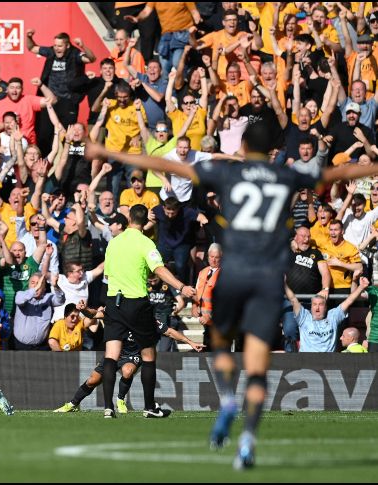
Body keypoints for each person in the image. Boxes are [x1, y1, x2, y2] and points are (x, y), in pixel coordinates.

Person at [85, 121, 378, 469]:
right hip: (268, 279)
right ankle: (248, 442)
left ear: (241, 147)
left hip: (235, 274)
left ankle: (226, 399)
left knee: (220, 341)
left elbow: (166, 165)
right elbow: (341, 171)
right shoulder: (286, 176)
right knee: (256, 367)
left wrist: (107, 152)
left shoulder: (229, 174)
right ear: (273, 149)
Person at [99, 203, 195, 419]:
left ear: (129, 218)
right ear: (145, 223)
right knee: (148, 355)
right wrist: (181, 287)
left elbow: (107, 275)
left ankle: (107, 408)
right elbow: (159, 269)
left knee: (111, 356)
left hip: (113, 302)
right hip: (136, 303)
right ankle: (150, 407)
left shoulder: (113, 243)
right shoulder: (146, 243)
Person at [54, 306, 203, 413]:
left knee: (127, 371)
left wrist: (190, 342)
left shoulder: (148, 321)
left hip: (133, 354)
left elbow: (170, 332)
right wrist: (84, 310)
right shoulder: (117, 314)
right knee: (92, 380)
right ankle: (72, 404)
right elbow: (94, 315)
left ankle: (120, 399)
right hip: (115, 353)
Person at [284, 277, 368, 352]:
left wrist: (361, 287)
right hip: (307, 360)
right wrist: (284, 284)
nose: (317, 307)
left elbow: (349, 300)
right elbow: (293, 299)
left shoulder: (333, 316)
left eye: (320, 304)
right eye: (314, 304)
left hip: (328, 362)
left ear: (325, 307)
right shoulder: (304, 316)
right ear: (311, 307)